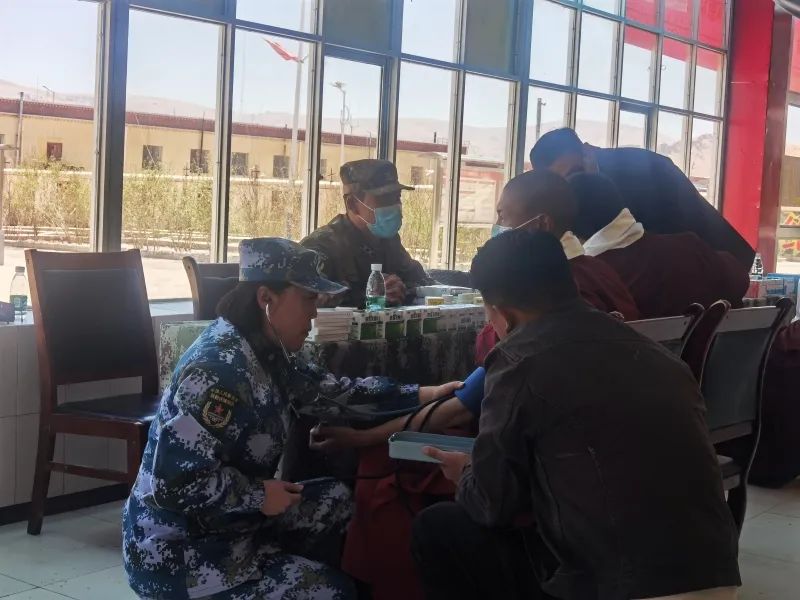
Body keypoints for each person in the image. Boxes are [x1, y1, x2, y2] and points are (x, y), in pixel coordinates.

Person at [412, 229, 741, 600]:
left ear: (504, 315)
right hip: (716, 576)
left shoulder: (519, 361)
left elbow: (491, 504)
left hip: (623, 587)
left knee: (439, 526)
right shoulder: (659, 356)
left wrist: (465, 475)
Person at [122, 238, 459, 600]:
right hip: (183, 555)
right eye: (308, 299)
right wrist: (258, 496)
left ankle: (285, 575)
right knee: (334, 593)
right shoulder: (218, 370)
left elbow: (332, 393)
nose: (314, 313)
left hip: (232, 525)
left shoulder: (267, 350)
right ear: (266, 298)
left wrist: (425, 394)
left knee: (337, 501)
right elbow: (174, 484)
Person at [475, 170, 640, 364]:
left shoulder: (548, 286)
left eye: (502, 217)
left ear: (542, 224)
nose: (497, 225)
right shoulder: (599, 268)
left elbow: (507, 350)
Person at [530, 128, 754, 270]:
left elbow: (657, 243)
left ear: (588, 151)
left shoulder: (638, 172)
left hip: (716, 262)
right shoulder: (580, 186)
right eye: (562, 181)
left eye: (574, 173)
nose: (572, 185)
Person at [568, 172, 749, 319]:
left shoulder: (591, 279)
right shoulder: (689, 246)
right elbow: (740, 279)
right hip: (723, 352)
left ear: (571, 228)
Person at [301, 159, 434, 308]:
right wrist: (371, 295)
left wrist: (403, 289)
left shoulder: (389, 241)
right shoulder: (322, 245)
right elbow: (307, 297)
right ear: (352, 204)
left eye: (396, 197)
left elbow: (423, 282)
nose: (394, 206)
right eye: (383, 199)